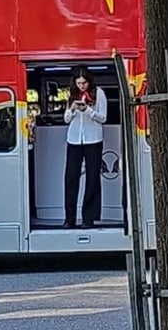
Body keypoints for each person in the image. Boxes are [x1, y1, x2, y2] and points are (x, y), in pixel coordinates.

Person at [63, 66, 107, 229]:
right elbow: (66, 119)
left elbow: (103, 117)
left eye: (84, 83)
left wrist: (88, 110)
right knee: (70, 178)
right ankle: (70, 218)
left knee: (92, 177)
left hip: (93, 139)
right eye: (79, 83)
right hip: (74, 139)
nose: (82, 86)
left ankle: (88, 217)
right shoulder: (72, 94)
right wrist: (73, 109)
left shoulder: (99, 93)